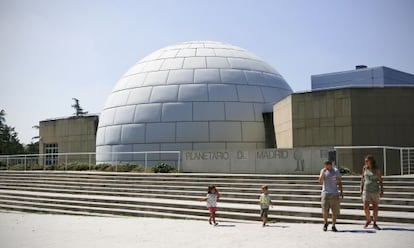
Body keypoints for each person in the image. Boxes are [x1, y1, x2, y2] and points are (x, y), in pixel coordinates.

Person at [360, 155, 384, 230]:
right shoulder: (364, 168)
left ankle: (374, 223)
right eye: (365, 161)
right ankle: (368, 219)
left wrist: (382, 190)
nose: (366, 162)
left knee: (375, 207)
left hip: (375, 190)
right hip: (366, 190)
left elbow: (380, 180)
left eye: (367, 160)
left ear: (371, 161)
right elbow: (362, 179)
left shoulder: (377, 169)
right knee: (365, 206)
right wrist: (361, 188)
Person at [319, 160, 343, 232]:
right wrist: (323, 173)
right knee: (325, 210)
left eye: (328, 165)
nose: (326, 167)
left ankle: (333, 225)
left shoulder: (335, 171)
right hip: (325, 193)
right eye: (325, 165)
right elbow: (320, 181)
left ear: (331, 165)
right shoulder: (323, 171)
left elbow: (339, 181)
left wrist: (341, 192)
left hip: (334, 193)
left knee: (334, 211)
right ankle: (325, 223)